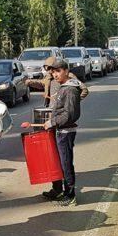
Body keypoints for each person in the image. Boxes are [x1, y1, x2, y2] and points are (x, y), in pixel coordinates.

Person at [42, 60, 83, 206]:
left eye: (58, 71)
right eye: (53, 72)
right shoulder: (63, 87)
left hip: (65, 132)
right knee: (61, 162)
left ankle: (70, 195)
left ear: (66, 71)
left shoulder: (70, 89)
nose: (55, 74)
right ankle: (62, 191)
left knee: (66, 163)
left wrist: (52, 122)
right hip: (61, 130)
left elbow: (70, 114)